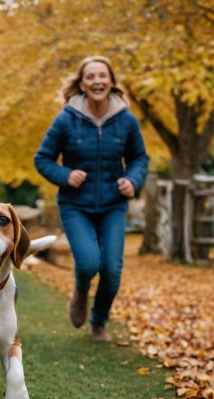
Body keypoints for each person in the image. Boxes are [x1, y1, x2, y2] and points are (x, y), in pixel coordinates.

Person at [34, 56, 148, 342]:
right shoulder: (66, 119)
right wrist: (65, 175)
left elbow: (139, 158)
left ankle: (98, 322)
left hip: (113, 204)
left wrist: (133, 180)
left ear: (110, 82)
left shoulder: (126, 120)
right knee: (87, 264)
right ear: (82, 84)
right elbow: (42, 158)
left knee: (111, 268)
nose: (97, 81)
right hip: (75, 204)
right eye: (91, 77)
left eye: (102, 76)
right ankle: (81, 290)